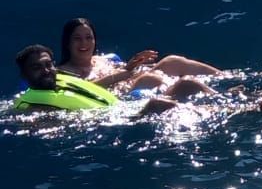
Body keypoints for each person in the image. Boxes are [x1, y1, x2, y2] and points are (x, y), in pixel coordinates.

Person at [13, 45, 212, 118]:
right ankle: (219, 113)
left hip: (122, 106)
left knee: (187, 83)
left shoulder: (63, 79)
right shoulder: (31, 105)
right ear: (25, 75)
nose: (46, 71)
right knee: (157, 104)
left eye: (48, 65)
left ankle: (237, 100)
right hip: (113, 119)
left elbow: (92, 88)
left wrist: (126, 72)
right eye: (37, 68)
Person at [58, 17, 220, 93]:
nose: (84, 44)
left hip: (130, 80)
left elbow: (127, 71)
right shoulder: (63, 72)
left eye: (89, 38)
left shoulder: (101, 60)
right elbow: (84, 90)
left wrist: (138, 62)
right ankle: (218, 99)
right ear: (67, 43)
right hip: (120, 94)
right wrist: (124, 73)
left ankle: (226, 78)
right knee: (155, 79)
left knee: (172, 61)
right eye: (77, 39)